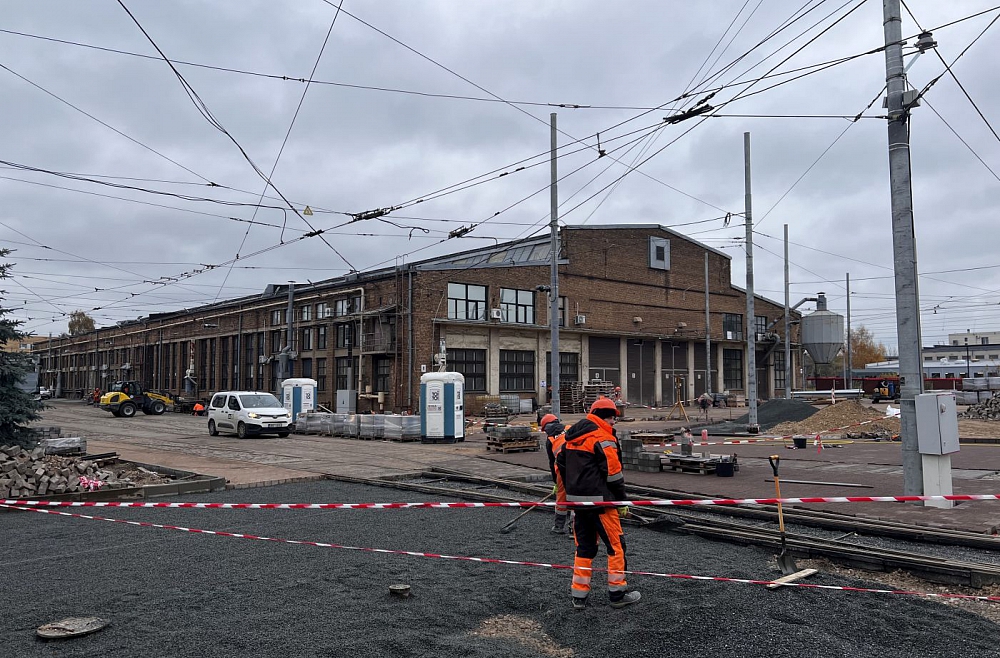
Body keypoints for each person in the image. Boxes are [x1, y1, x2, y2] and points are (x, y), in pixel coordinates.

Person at [557, 396, 640, 610]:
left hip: (578, 505)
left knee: (584, 549)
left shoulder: (571, 436)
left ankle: (579, 597)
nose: (614, 423)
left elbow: (560, 464)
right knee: (616, 547)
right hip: (602, 504)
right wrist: (622, 501)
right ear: (607, 417)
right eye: (614, 418)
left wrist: (570, 488)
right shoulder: (603, 438)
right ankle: (617, 594)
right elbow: (613, 475)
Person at [540, 413, 570, 534]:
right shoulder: (569, 429)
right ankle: (575, 529)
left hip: (562, 470)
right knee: (578, 496)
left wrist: (555, 482)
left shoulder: (550, 440)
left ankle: (559, 526)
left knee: (562, 497)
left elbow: (552, 463)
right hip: (579, 467)